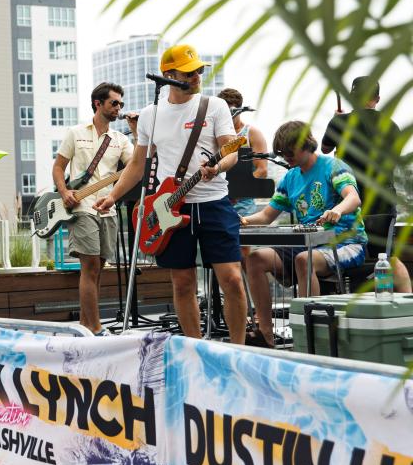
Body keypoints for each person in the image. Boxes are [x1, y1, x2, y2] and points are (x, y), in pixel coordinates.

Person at [92, 45, 248, 344]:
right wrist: (113, 196)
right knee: (182, 282)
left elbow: (230, 151)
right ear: (169, 76)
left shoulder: (214, 106)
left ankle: (238, 350)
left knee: (232, 279)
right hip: (170, 206)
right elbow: (138, 164)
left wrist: (217, 167)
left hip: (213, 201)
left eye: (199, 70)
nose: (197, 76)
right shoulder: (150, 115)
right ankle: (195, 348)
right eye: (189, 72)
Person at [242, 121, 368, 347]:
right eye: (282, 152)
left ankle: (310, 336)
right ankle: (266, 334)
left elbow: (353, 198)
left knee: (304, 260)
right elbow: (266, 216)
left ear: (306, 144)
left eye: (290, 150)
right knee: (255, 260)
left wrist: (337, 210)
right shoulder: (290, 178)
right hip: (308, 243)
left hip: (346, 242)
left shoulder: (333, 166)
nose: (286, 156)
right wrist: (243, 220)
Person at [53, 82, 135, 335]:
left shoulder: (120, 140)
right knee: (90, 268)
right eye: (114, 103)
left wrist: (137, 131)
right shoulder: (75, 133)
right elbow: (58, 167)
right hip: (81, 207)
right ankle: (97, 328)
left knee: (97, 270)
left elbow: (136, 166)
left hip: (107, 208)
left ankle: (85, 326)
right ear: (98, 103)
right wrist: (65, 192)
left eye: (121, 103)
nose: (119, 108)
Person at [321, 76, 411, 293]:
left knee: (341, 254)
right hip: (382, 200)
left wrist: (337, 123)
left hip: (349, 202)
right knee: (389, 257)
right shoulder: (391, 125)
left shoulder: (339, 122)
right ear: (377, 99)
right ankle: (408, 304)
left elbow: (324, 149)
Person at [217, 89, 269, 269]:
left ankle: (246, 294)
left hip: (243, 201)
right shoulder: (217, 134)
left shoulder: (251, 132)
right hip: (221, 199)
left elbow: (262, 170)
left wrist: (239, 189)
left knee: (243, 253)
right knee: (221, 253)